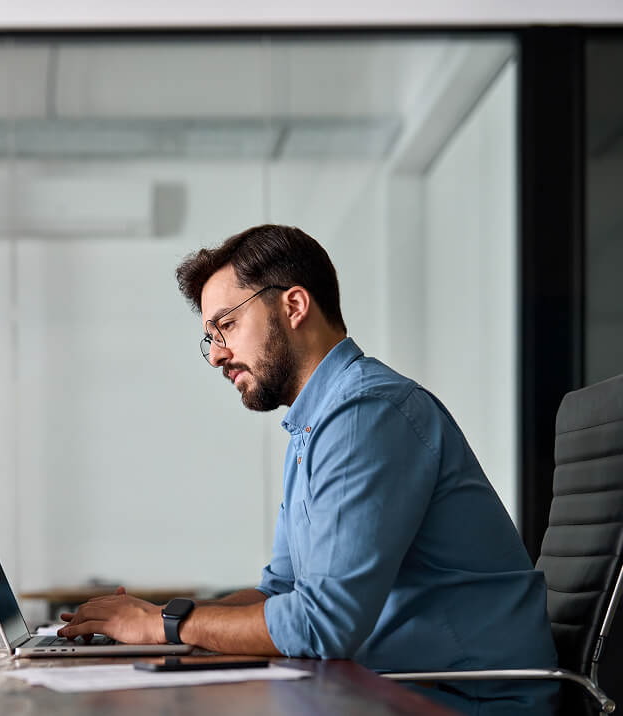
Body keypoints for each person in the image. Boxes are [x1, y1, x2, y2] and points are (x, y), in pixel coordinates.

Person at [58, 224, 558, 712]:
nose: (215, 355)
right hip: (396, 685)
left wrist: (163, 628)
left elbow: (323, 624)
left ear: (294, 305)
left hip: (468, 698)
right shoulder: (316, 425)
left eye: (226, 325)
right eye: (210, 336)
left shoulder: (367, 412)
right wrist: (156, 616)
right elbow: (281, 590)